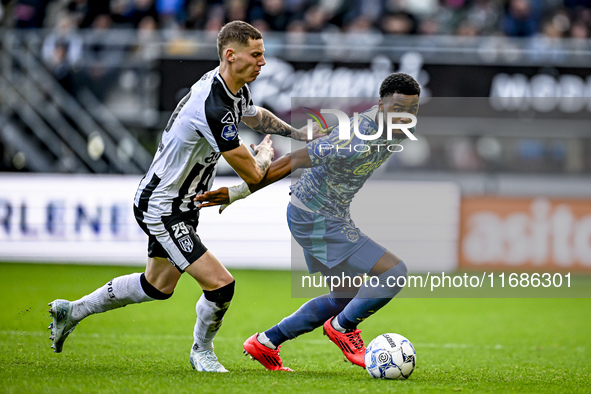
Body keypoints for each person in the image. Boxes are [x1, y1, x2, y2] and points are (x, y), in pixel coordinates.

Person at [48, 20, 314, 373]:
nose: (263, 62)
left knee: (156, 286)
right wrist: (265, 155)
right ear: (231, 55)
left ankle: (73, 310)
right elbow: (253, 174)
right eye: (257, 55)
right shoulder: (214, 108)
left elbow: (255, 116)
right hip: (163, 205)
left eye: (263, 55)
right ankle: (201, 352)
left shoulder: (230, 87)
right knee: (221, 285)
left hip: (180, 203)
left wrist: (296, 133)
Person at [195, 73, 420, 371]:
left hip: (320, 213)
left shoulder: (393, 128)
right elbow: (293, 160)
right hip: (316, 217)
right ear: (380, 104)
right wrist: (237, 192)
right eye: (397, 109)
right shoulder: (353, 136)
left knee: (345, 296)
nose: (405, 118)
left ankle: (265, 342)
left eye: (412, 111)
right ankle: (342, 329)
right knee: (394, 272)